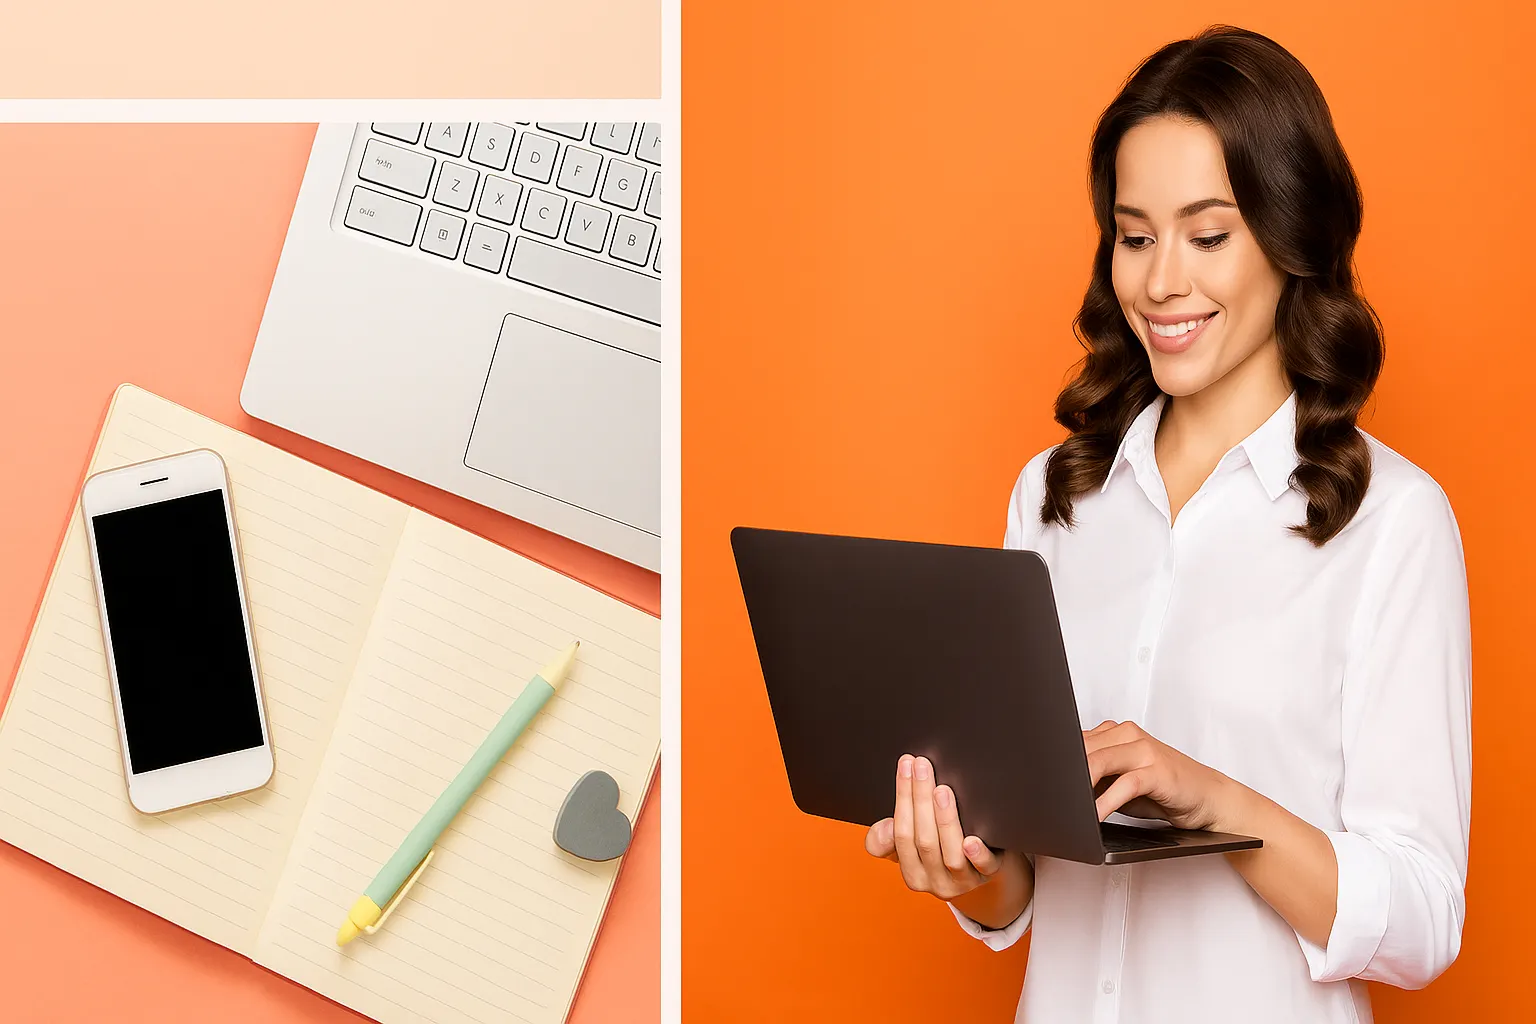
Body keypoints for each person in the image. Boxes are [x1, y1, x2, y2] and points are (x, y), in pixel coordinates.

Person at [862, 24, 1471, 1023]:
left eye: (1209, 233)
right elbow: (1022, 881)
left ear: (1289, 235)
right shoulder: (1055, 495)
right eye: (1135, 235)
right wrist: (961, 865)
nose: (1159, 282)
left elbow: (1424, 919)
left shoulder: (1393, 524)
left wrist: (1216, 799)